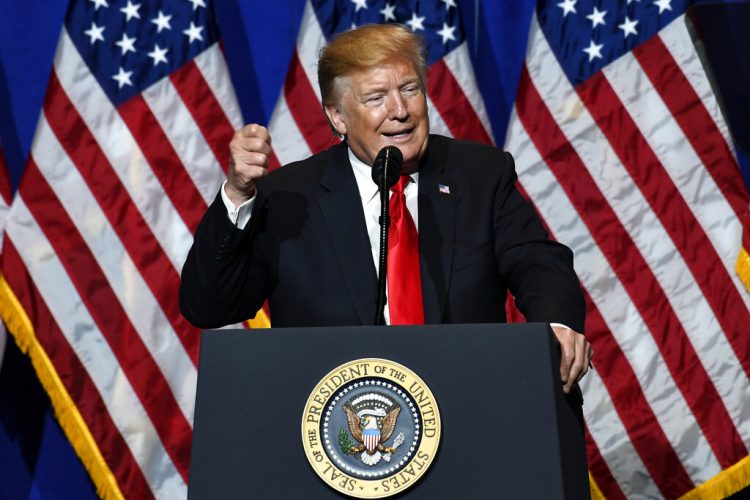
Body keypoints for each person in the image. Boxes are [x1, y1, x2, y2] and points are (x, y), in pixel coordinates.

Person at [179, 24, 593, 394]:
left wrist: (557, 324)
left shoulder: (479, 175)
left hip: (468, 406)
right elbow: (210, 305)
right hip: (334, 434)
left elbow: (539, 263)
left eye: (410, 89)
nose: (400, 111)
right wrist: (236, 193)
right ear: (338, 117)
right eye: (377, 97)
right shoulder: (290, 197)